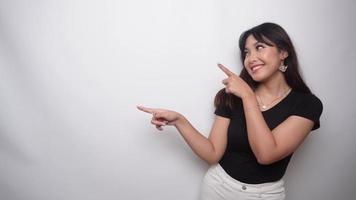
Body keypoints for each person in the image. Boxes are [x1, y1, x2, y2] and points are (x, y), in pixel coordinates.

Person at [137, 22, 323, 200]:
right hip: (217, 187)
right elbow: (212, 153)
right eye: (246, 52)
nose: (251, 58)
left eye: (259, 48)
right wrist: (179, 121)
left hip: (264, 195)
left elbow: (266, 154)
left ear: (283, 52)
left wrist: (248, 97)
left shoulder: (307, 105)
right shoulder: (232, 97)